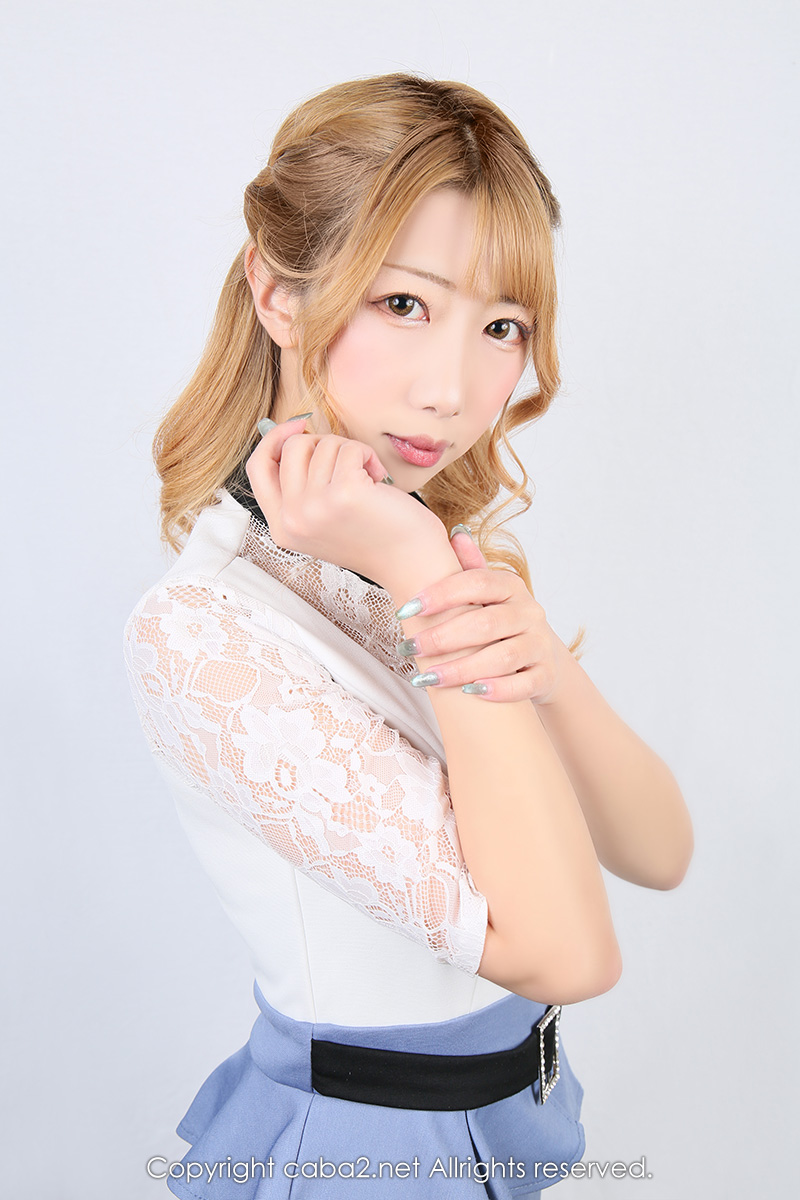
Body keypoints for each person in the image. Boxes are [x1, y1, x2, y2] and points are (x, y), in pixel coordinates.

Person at [123, 73, 693, 1198]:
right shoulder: (200, 632)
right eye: (403, 305)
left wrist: (536, 660)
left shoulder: (406, 549)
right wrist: (429, 579)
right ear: (276, 292)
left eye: (500, 327)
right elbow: (570, 954)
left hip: (498, 1133)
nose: (453, 390)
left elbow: (657, 852)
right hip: (361, 1154)